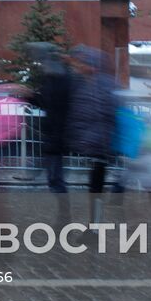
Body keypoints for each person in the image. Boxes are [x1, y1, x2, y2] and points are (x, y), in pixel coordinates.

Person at [66, 46, 118, 198]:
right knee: (96, 180)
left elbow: (104, 111)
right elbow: (79, 110)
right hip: (94, 140)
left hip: (100, 141)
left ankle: (96, 215)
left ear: (94, 66)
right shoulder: (84, 83)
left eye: (85, 63)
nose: (81, 66)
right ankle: (96, 213)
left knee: (97, 181)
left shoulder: (101, 84)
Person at [24, 44, 74, 193]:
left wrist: (32, 96)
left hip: (58, 133)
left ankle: (64, 212)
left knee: (55, 178)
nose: (41, 65)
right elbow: (47, 103)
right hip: (55, 132)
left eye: (42, 61)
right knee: (54, 176)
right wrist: (30, 96)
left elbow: (56, 105)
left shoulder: (60, 77)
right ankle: (63, 210)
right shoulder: (52, 77)